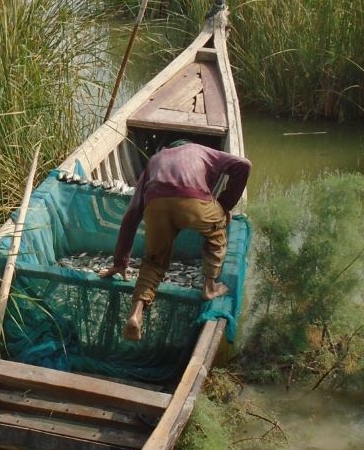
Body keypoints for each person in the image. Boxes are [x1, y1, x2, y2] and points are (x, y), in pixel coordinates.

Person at [99, 140, 251, 341]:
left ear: (168, 149)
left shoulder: (155, 159)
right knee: (217, 227)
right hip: (194, 201)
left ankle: (135, 314)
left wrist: (119, 262)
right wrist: (224, 205)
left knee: (153, 260)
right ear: (186, 145)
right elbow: (244, 165)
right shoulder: (200, 149)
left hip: (156, 204)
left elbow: (132, 215)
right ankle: (209, 286)